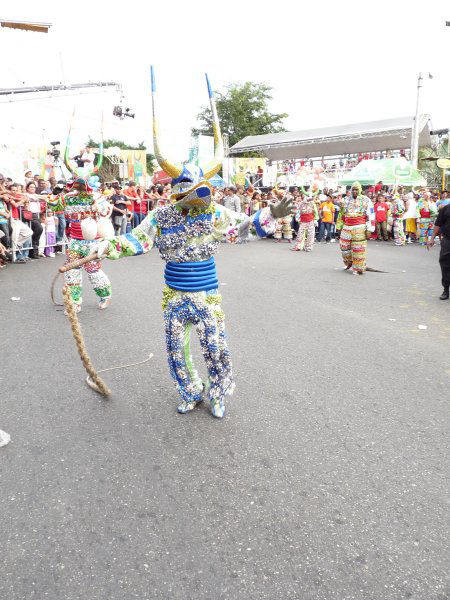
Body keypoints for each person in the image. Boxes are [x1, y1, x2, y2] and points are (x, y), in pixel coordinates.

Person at [93, 68, 294, 419]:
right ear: (176, 193)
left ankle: (217, 394)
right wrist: (104, 248)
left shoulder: (213, 213)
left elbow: (242, 229)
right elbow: (136, 241)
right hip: (173, 294)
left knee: (215, 347)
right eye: (188, 192)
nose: (196, 198)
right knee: (176, 349)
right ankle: (189, 391)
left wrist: (271, 215)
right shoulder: (162, 216)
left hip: (207, 293)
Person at [50, 177, 113, 312]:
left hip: (93, 242)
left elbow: (107, 210)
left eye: (83, 186)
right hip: (75, 241)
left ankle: (105, 295)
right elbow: (54, 206)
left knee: (93, 270)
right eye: (77, 186)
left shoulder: (96, 196)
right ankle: (74, 303)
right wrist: (55, 193)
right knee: (72, 271)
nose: (80, 189)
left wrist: (98, 207)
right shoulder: (68, 197)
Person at [336, 181, 375, 274]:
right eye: (353, 189)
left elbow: (371, 215)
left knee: (358, 249)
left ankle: (358, 268)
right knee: (344, 247)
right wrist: (339, 226)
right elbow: (341, 214)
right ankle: (349, 263)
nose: (354, 191)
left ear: (360, 190)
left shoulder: (366, 200)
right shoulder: (346, 200)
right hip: (346, 227)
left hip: (360, 227)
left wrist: (370, 229)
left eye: (356, 190)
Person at [427, 202, 450, 300]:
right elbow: (438, 224)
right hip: (447, 240)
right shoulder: (445, 209)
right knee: (445, 264)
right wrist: (432, 238)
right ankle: (446, 289)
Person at [24, 182, 44, 259]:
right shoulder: (25, 194)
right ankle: (32, 248)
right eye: (31, 187)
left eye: (34, 187)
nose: (33, 188)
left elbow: (44, 197)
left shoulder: (36, 195)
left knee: (38, 233)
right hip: (30, 215)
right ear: (27, 188)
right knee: (39, 229)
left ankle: (34, 252)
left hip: (37, 215)